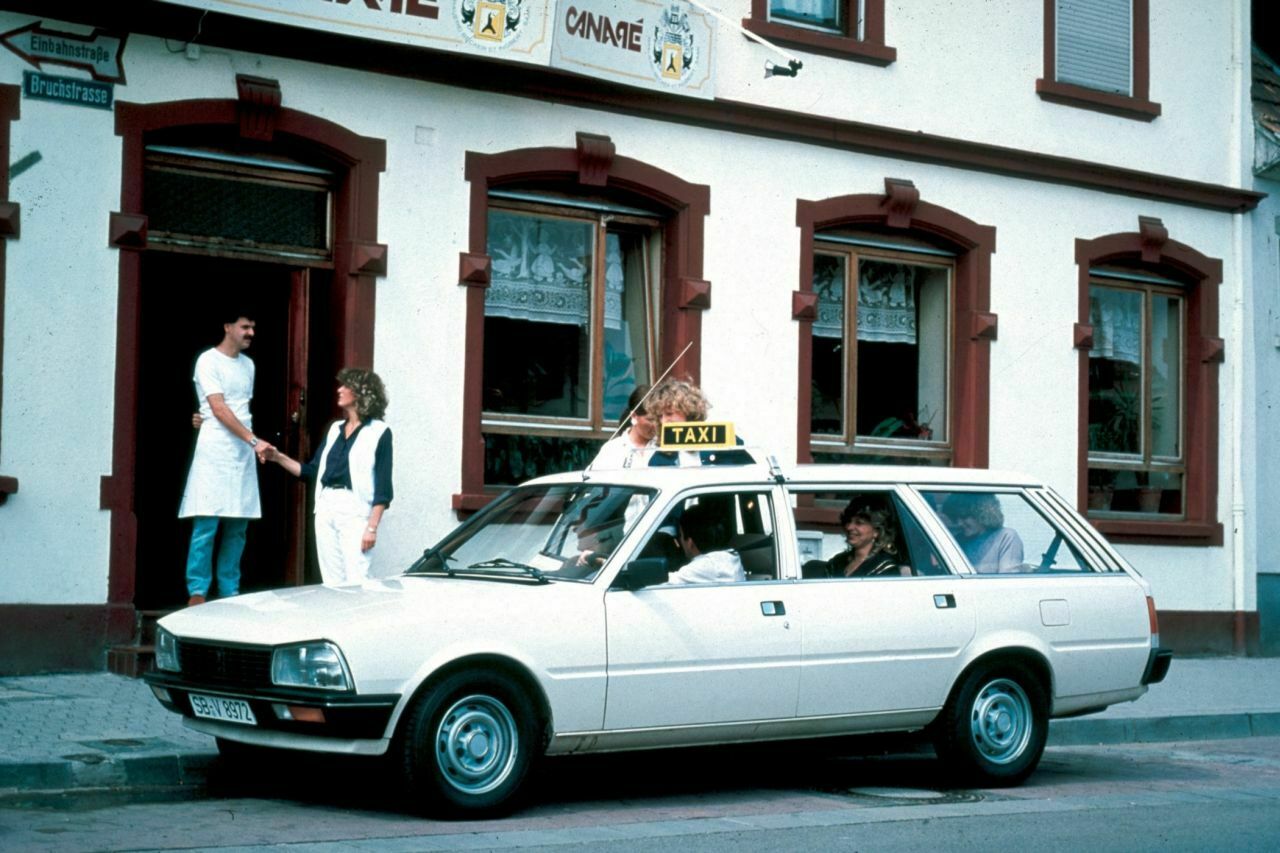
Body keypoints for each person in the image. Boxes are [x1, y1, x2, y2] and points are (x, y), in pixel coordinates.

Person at [260, 368, 393, 585]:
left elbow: (383, 488)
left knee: (357, 579)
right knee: (332, 581)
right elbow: (312, 472)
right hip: (326, 507)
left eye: (346, 386)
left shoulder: (379, 432)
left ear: (363, 392)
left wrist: (371, 527)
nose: (339, 390)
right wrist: (278, 457)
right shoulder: (334, 429)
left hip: (355, 510)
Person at [178, 311, 275, 607]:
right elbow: (218, 408)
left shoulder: (249, 365)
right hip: (217, 448)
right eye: (245, 327)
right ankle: (198, 590)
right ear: (228, 327)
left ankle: (229, 589)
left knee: (238, 524)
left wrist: (249, 442)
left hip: (242, 450)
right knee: (207, 521)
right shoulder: (208, 360)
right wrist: (254, 440)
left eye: (253, 327)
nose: (250, 333)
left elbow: (240, 406)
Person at [646, 378, 751, 467]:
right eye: (660, 416)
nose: (664, 421)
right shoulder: (660, 459)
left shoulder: (722, 441)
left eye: (669, 414)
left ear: (687, 410)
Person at [823, 498, 906, 577]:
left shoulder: (884, 568)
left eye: (859, 523)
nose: (849, 527)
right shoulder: (838, 561)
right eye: (848, 521)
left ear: (876, 531)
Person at [667, 500, 746, 584]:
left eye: (680, 536)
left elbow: (664, 583)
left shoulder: (705, 566)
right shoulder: (731, 557)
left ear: (690, 542)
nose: (680, 541)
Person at [945, 493, 1024, 573]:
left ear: (982, 514)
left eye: (964, 517)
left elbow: (1008, 579)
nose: (959, 523)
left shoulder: (1006, 537)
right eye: (955, 518)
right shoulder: (959, 540)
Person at [589, 385, 658, 469]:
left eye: (659, 418)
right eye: (650, 419)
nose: (656, 424)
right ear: (634, 416)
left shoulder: (665, 447)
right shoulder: (613, 449)